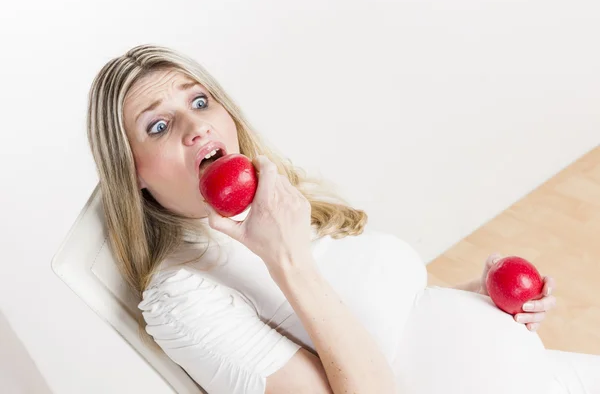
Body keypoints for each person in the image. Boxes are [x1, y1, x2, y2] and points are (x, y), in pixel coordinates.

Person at [86, 44, 600, 394]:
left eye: (199, 100)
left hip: (548, 374)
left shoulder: (276, 203)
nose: (196, 125)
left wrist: (481, 297)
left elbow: (395, 324)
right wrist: (289, 259)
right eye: (158, 124)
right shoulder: (184, 298)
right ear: (131, 175)